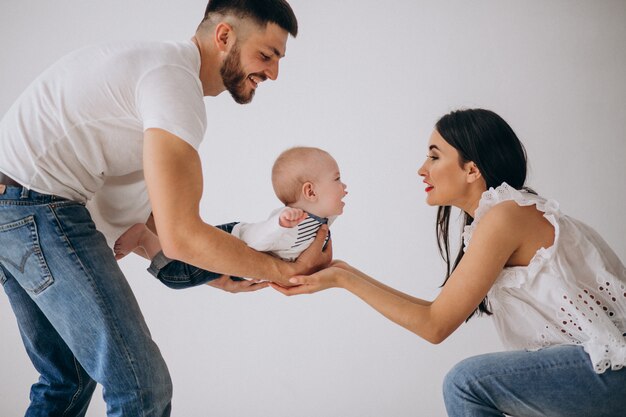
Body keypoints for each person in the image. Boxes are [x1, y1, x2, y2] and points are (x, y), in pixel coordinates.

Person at [0, 1, 332, 416]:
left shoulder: (156, 73)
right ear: (224, 36)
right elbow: (181, 236)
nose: (273, 73)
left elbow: (155, 217)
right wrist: (284, 270)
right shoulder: (174, 85)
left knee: (68, 379)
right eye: (266, 55)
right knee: (143, 389)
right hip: (35, 208)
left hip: (13, 210)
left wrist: (218, 273)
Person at [273, 109, 626, 417]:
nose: (421, 169)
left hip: (612, 367)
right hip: (602, 369)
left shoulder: (506, 216)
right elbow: (436, 312)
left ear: (471, 170)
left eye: (434, 156)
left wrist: (342, 281)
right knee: (469, 382)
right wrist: (343, 271)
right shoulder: (504, 215)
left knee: (465, 383)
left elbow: (434, 326)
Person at [114, 146, 347, 288]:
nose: (344, 187)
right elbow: (255, 242)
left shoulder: (321, 220)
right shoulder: (289, 223)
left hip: (241, 263)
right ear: (310, 192)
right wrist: (279, 224)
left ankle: (148, 237)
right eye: (337, 180)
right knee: (176, 276)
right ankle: (143, 237)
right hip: (232, 241)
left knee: (184, 263)